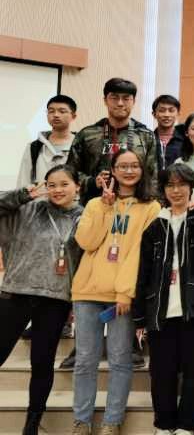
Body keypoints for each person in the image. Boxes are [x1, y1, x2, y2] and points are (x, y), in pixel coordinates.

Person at [70, 149, 160, 435]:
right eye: (123, 166)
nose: (129, 171)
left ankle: (112, 421)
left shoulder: (151, 207)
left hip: (123, 296)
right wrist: (106, 208)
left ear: (142, 170)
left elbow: (139, 254)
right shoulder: (95, 204)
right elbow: (86, 241)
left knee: (120, 360)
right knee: (85, 360)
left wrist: (125, 292)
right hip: (87, 292)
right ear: (113, 170)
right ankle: (81, 421)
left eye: (134, 166)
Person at [132, 164, 194, 435]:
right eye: (170, 185)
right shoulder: (155, 226)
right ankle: (164, 425)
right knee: (162, 373)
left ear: (191, 187)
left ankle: (187, 425)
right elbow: (143, 274)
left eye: (181, 184)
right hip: (160, 312)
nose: (176, 190)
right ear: (163, 190)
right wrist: (140, 317)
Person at [0, 164, 83, 435]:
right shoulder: (28, 209)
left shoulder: (85, 217)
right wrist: (21, 195)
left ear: (77, 187)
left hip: (55, 300)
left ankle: (32, 424)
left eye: (64, 184)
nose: (57, 190)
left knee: (42, 363)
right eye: (51, 185)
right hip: (16, 293)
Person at [67, 78, 157, 204]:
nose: (120, 103)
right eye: (114, 98)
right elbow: (70, 173)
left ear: (134, 101)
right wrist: (92, 182)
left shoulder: (146, 136)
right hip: (94, 205)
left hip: (135, 205)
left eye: (126, 98)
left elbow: (153, 176)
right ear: (105, 100)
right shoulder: (87, 135)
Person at [17, 94, 78, 188]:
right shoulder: (34, 147)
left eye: (62, 111)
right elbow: (23, 181)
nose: (56, 115)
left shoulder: (81, 145)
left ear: (73, 116)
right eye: (51, 111)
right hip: (41, 197)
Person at [152, 94, 184, 171]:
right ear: (154, 114)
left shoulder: (185, 140)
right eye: (162, 111)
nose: (167, 115)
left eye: (171, 110)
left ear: (178, 114)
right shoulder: (148, 140)